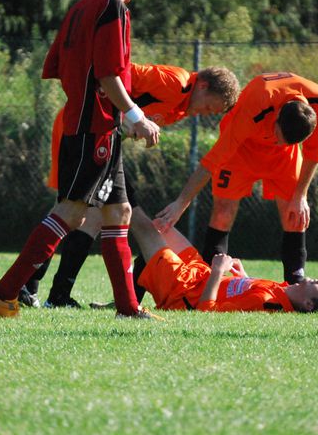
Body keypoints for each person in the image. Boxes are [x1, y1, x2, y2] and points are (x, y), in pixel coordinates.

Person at [0, 0, 162, 319]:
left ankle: (129, 309)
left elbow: (59, 65)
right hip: (93, 126)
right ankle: (5, 291)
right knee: (72, 212)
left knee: (119, 212)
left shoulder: (82, 6)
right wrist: (134, 116)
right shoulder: (114, 7)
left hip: (94, 124)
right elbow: (107, 73)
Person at [21, 63, 240, 308]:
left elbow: (127, 118)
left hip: (101, 141)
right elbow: (111, 77)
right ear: (203, 85)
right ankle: (33, 287)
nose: (204, 113)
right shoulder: (174, 83)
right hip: (82, 132)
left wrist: (131, 127)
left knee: (85, 216)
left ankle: (51, 292)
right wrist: (129, 120)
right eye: (209, 106)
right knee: (70, 211)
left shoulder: (179, 107)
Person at [155, 72, 318, 285]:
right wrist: (180, 203)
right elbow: (212, 161)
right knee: (223, 212)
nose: (278, 142)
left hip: (283, 159)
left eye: (285, 141)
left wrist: (301, 195)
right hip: (242, 149)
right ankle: (207, 281)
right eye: (278, 137)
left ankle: (296, 281)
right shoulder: (256, 104)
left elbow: (314, 154)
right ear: (275, 117)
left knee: (294, 213)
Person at [128, 208, 318, 313]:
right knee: (161, 224)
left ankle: (111, 196)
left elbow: (205, 311)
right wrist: (244, 278)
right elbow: (245, 293)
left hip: (182, 291)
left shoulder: (268, 303)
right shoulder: (283, 292)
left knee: (141, 224)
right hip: (198, 275)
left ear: (308, 304)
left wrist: (217, 272)